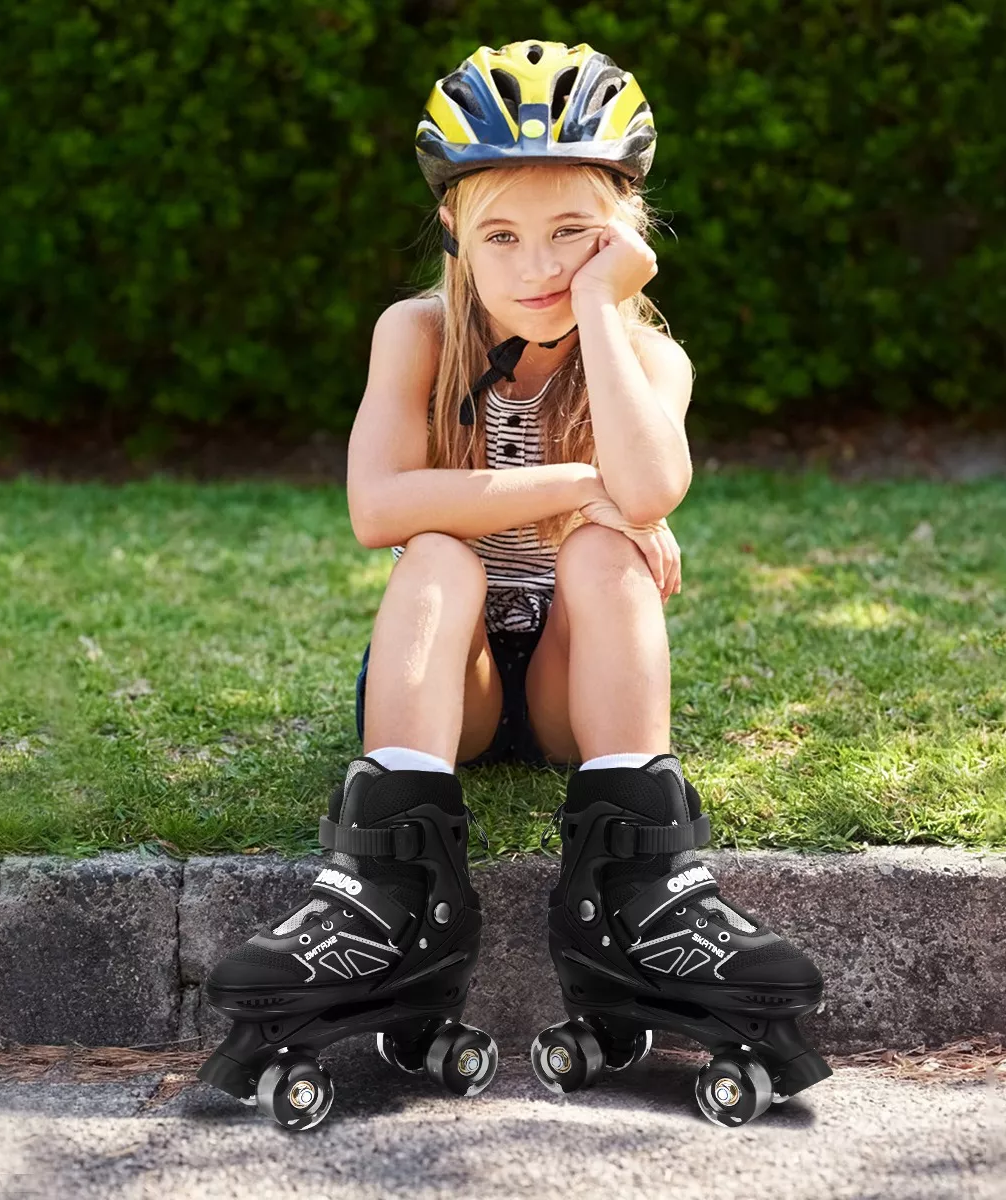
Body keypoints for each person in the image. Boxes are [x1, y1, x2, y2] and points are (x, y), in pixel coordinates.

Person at [199, 40, 828, 1130]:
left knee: (603, 555)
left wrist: (603, 314)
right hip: (457, 680)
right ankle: (386, 894)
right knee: (440, 550)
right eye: (501, 235)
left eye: (572, 232)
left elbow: (654, 487)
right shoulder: (418, 333)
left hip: (575, 690)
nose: (537, 264)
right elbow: (377, 508)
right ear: (454, 229)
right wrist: (582, 484)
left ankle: (644, 891)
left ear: (626, 229)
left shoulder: (649, 358)